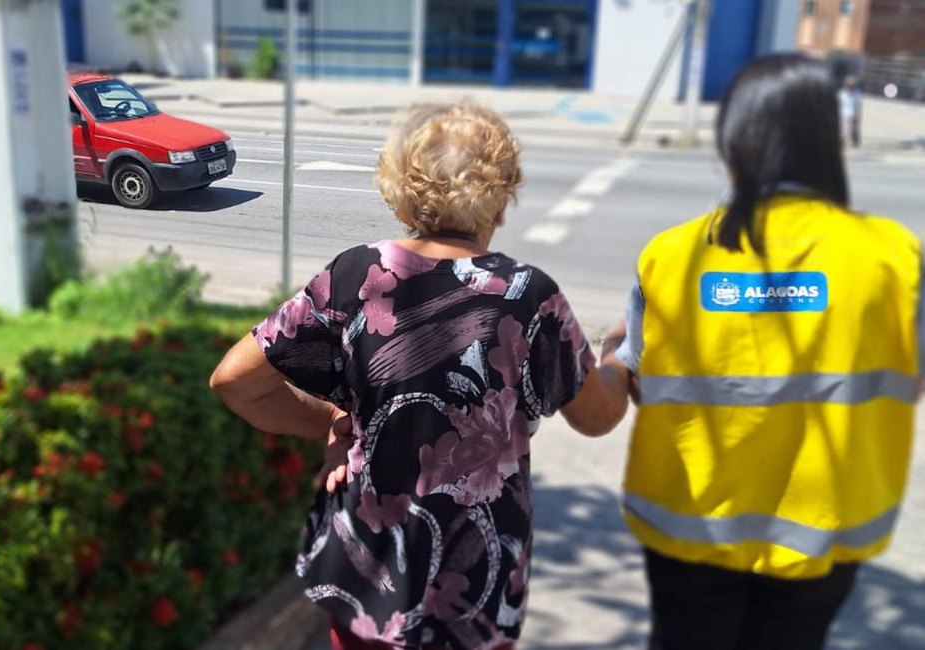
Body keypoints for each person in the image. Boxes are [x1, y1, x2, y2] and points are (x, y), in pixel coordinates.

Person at [210, 101, 630, 649]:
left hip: (365, 581)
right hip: (474, 594)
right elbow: (597, 417)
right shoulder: (530, 296)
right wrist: (621, 358)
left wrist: (335, 425)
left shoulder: (356, 275)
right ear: (500, 198)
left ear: (402, 189)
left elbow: (235, 381)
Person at [610, 54, 921, 650]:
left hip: (690, 528)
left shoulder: (672, 256)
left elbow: (640, 376)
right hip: (823, 534)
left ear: (735, 137)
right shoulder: (893, 257)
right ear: (827, 140)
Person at [837, 74, 862, 148]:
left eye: (852, 85)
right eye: (849, 84)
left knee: (853, 129)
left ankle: (855, 141)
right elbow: (838, 104)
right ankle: (841, 142)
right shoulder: (841, 93)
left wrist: (858, 115)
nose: (850, 86)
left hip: (852, 114)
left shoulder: (857, 93)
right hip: (843, 114)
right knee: (843, 130)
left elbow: (858, 105)